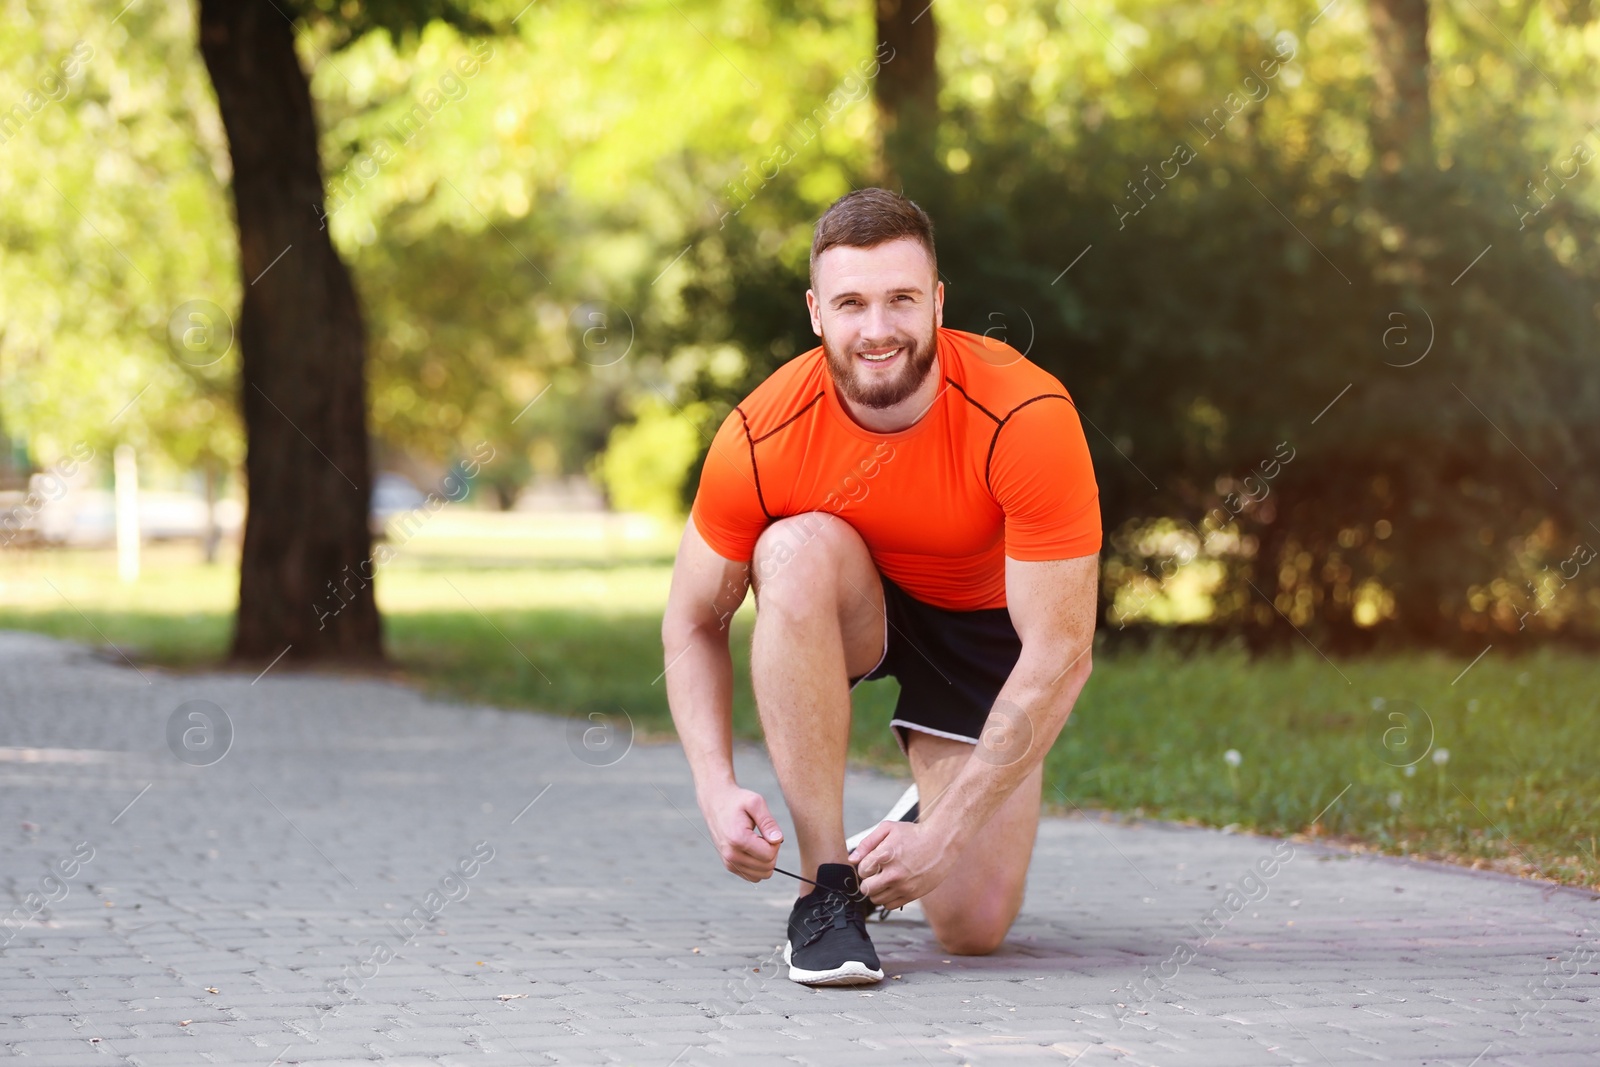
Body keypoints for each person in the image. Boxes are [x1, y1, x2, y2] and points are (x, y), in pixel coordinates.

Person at [660, 187, 1100, 986]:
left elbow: (1063, 652)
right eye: (852, 303)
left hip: (984, 629)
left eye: (901, 299)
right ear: (816, 313)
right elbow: (692, 620)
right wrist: (714, 788)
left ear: (936, 302)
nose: (877, 329)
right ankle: (828, 890)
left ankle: (934, 804)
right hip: (861, 601)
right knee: (790, 550)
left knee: (971, 927)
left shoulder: (1026, 414)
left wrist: (949, 831)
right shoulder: (761, 434)